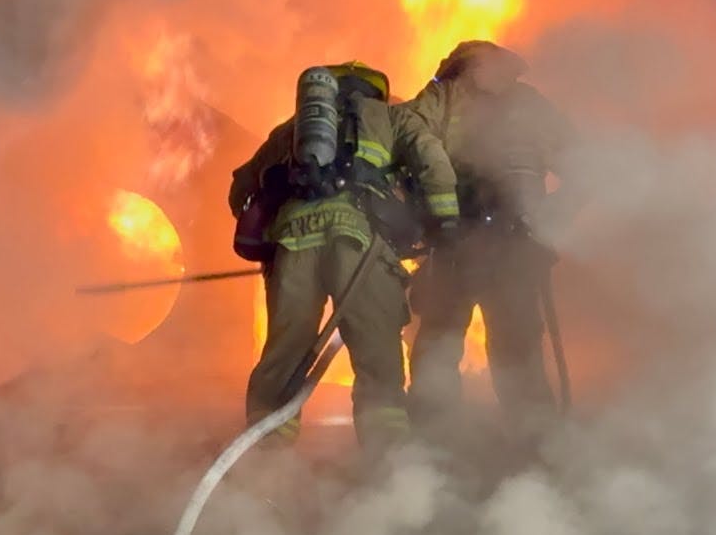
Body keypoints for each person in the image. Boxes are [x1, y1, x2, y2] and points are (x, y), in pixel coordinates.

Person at [228, 61, 459, 459]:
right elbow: (430, 158)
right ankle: (388, 461)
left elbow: (241, 189)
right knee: (376, 355)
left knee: (285, 351)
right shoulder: (391, 115)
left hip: (294, 246)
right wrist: (446, 221)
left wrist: (276, 232)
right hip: (359, 244)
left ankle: (264, 459)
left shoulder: (290, 130)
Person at [401, 40, 577, 453]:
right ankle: (539, 450)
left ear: (457, 66)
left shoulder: (443, 96)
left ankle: (432, 449)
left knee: (439, 342)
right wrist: (547, 222)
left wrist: (417, 218)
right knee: (517, 348)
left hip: (453, 243)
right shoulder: (532, 103)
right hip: (515, 247)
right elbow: (584, 165)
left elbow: (405, 143)